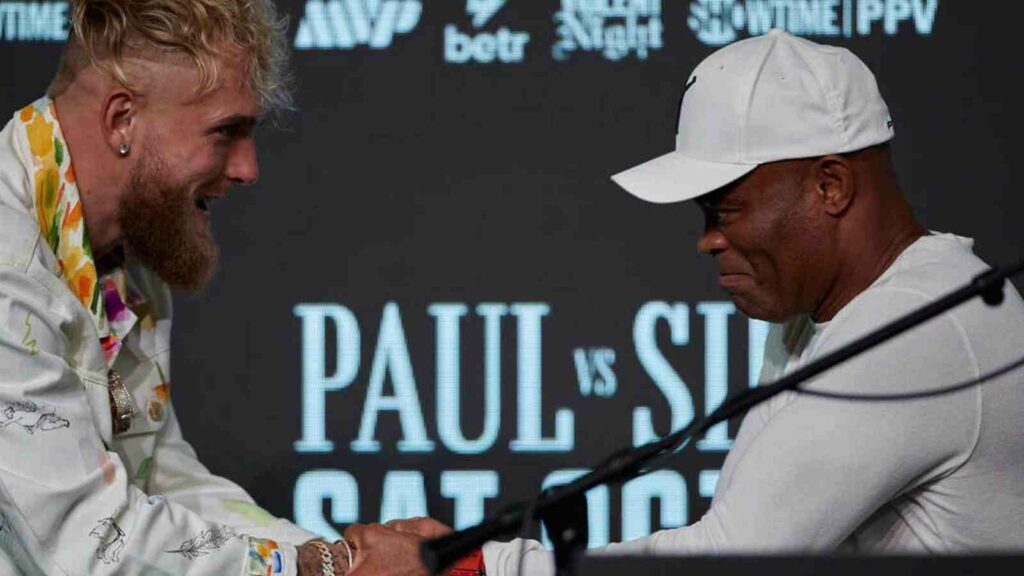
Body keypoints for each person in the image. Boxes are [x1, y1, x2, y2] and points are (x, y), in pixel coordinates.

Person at [340, 28, 1024, 575]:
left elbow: (731, 560)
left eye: (727, 209)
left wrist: (468, 569)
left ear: (830, 186)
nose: (709, 241)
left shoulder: (918, 329)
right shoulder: (822, 316)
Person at [0, 1, 353, 575]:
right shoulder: (8, 263)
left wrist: (339, 561)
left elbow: (160, 478)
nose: (247, 168)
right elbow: (88, 543)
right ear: (121, 120)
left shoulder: (125, 260)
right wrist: (321, 569)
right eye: (226, 132)